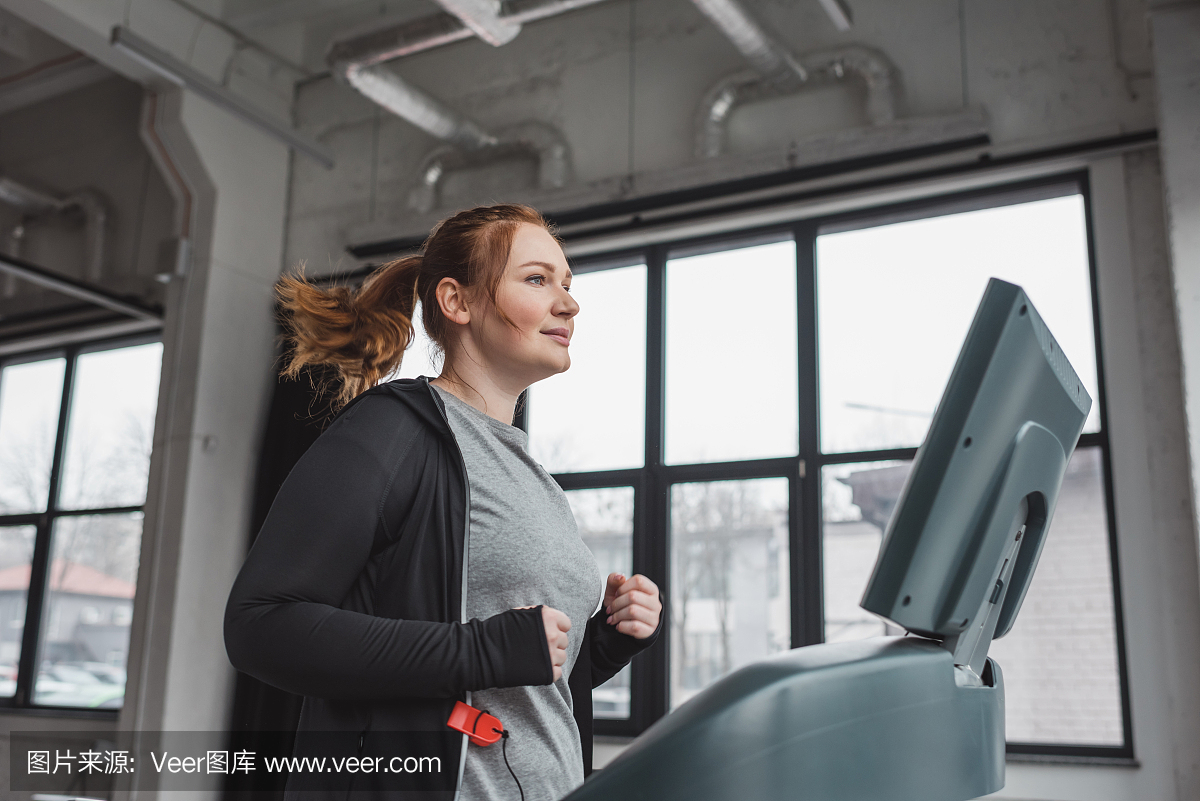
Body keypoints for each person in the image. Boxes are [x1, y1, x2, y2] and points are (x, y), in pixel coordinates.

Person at [223, 203, 662, 801]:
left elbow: (524, 692)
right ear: (457, 302)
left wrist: (606, 642)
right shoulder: (389, 432)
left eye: (567, 283)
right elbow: (260, 626)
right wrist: (482, 648)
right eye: (537, 280)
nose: (569, 304)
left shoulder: (534, 479)